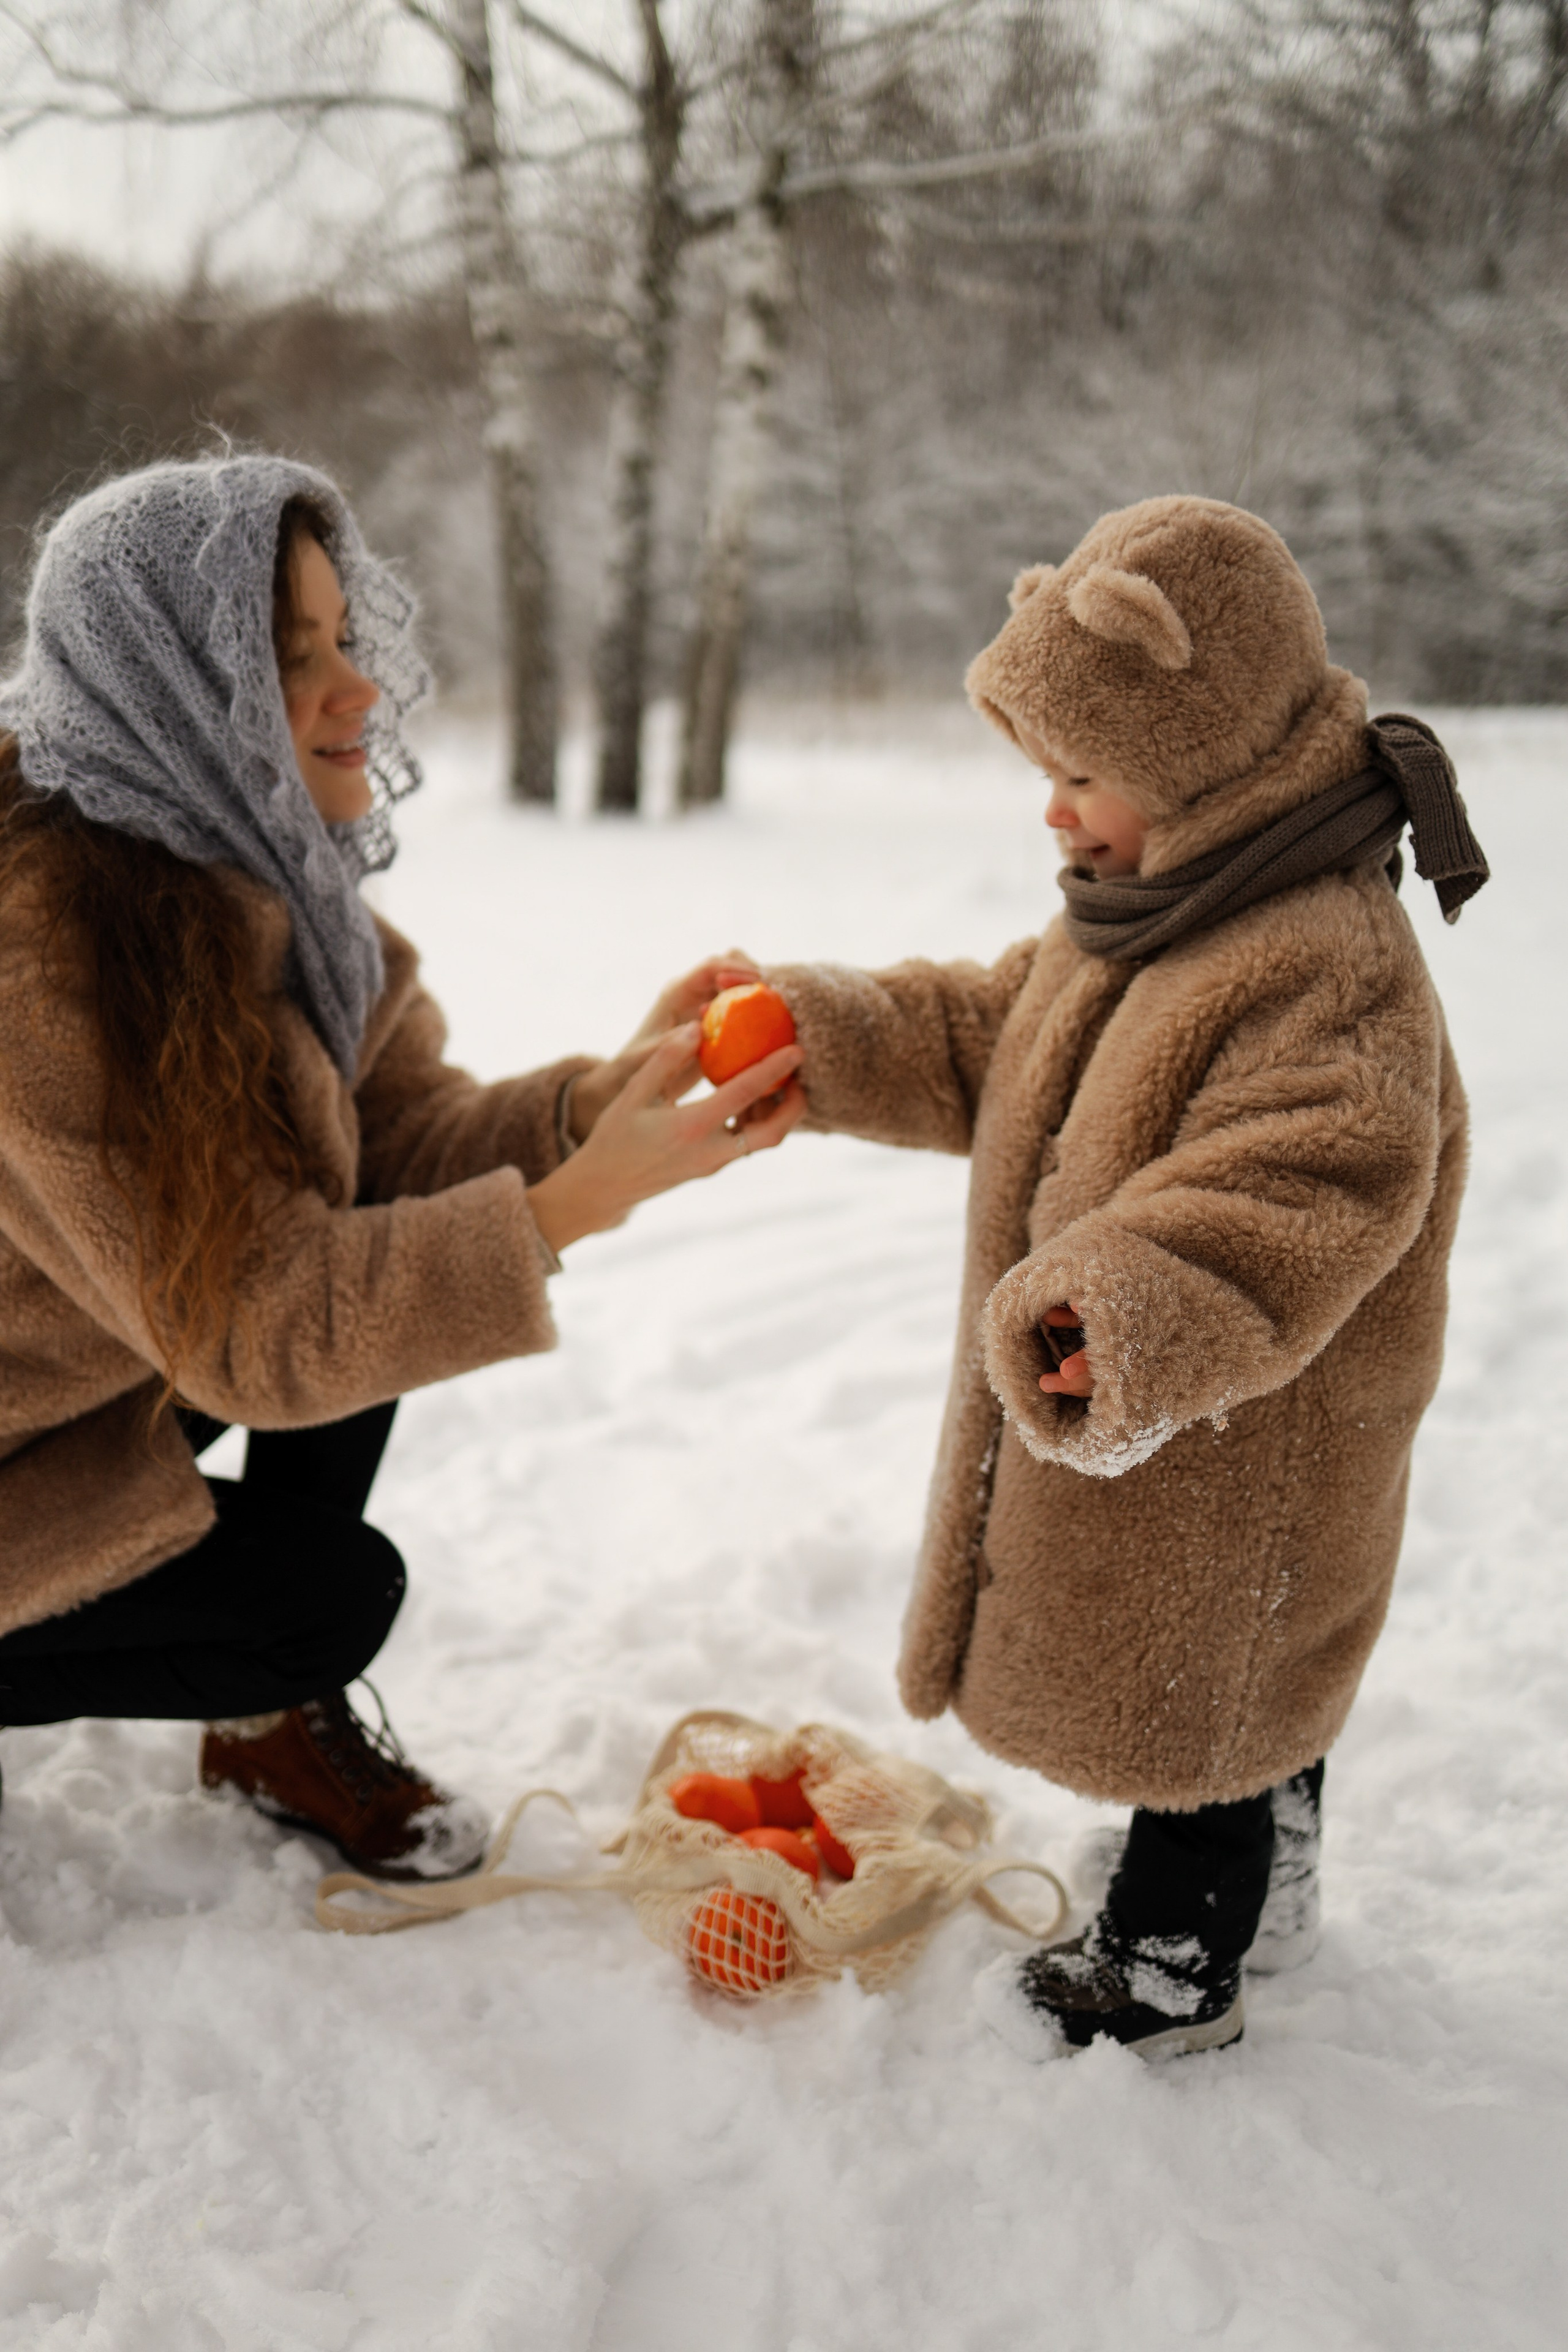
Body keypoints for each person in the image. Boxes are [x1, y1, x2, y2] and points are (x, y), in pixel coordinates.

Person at [0, 454, 804, 1882]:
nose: (354, 688)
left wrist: (589, 1109)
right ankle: (259, 1687)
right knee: (323, 1597)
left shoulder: (255, 877)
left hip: (69, 1386)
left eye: (341, 638)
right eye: (284, 659)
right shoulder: (40, 961)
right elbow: (259, 1330)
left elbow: (393, 1137)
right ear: (173, 695)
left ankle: (265, 1728)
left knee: (384, 1254)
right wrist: (559, 1214)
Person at [764, 496, 1485, 2057]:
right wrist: (821, 1038)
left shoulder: (1323, 965)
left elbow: (1303, 1183)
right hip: (1175, 1400)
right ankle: (1271, 1877)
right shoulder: (1150, 916)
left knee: (1212, 1686)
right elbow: (985, 1038)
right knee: (1245, 1680)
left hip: (1244, 1421)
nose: (1051, 814)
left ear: (1199, 756)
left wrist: (1128, 1303)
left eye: (1079, 775)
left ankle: (1168, 1970)